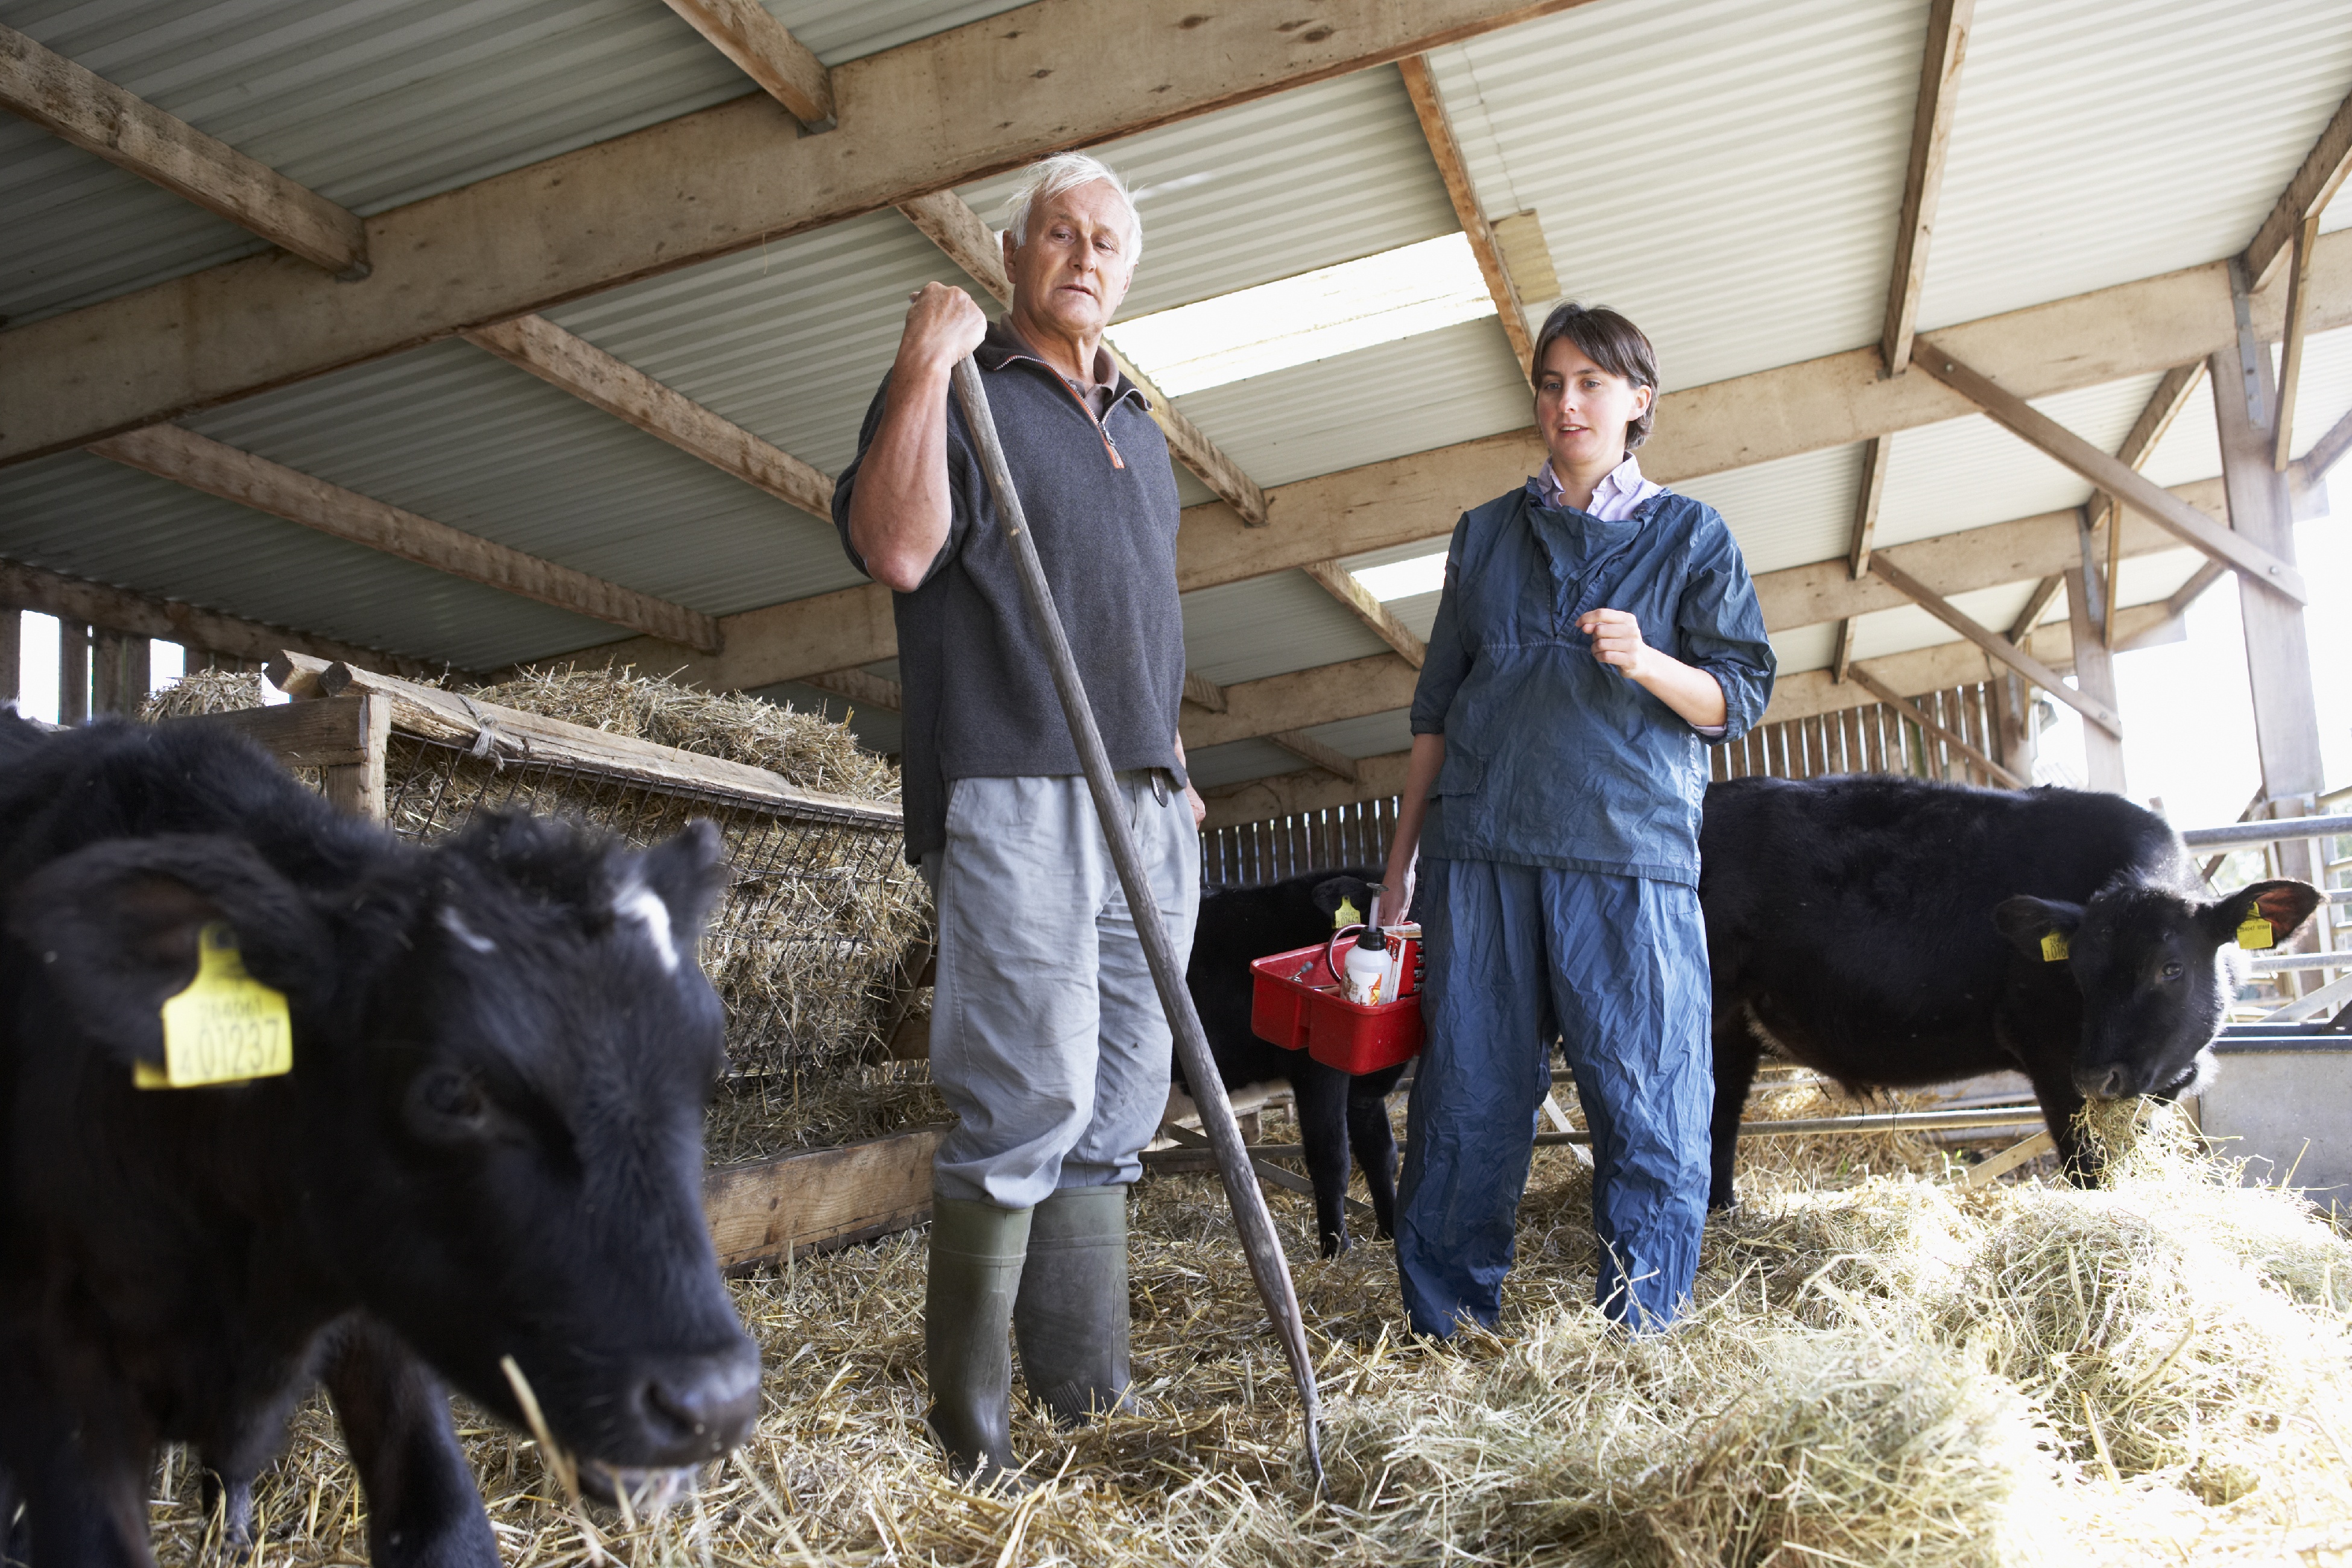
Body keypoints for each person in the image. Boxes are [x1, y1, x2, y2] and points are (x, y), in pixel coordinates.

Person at [830, 152, 1205, 1485]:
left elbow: (1139, 616)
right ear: (1012, 253)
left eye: (1106, 237)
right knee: (1025, 1093)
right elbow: (896, 547)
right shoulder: (967, 394)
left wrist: (1171, 756)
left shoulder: (1142, 429)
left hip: (1145, 805)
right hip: (1021, 788)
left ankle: (1081, 1392)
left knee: (1116, 1104)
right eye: (1059, 232)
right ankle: (970, 1426)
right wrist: (926, 361)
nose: (1084, 254)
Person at [1374, 303, 1774, 1336]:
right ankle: (1449, 1327)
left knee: (1648, 1103)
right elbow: (1435, 717)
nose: (1568, 403)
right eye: (1552, 384)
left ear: (1639, 401)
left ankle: (1640, 1332)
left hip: (1626, 859)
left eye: (1592, 383)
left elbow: (1739, 698)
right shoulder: (1484, 537)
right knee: (1467, 1103)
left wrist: (1647, 660)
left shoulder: (1693, 539)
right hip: (1483, 856)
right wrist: (1399, 868)